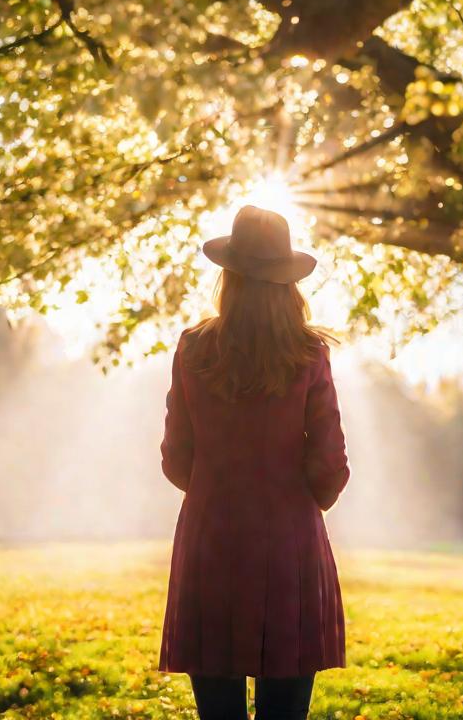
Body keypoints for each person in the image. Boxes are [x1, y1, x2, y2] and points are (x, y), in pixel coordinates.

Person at [157, 204, 350, 720]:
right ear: (288, 282)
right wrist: (297, 503)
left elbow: (176, 457)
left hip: (210, 538)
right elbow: (329, 461)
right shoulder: (309, 353)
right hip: (289, 542)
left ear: (229, 276)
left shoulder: (193, 348)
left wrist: (217, 489)